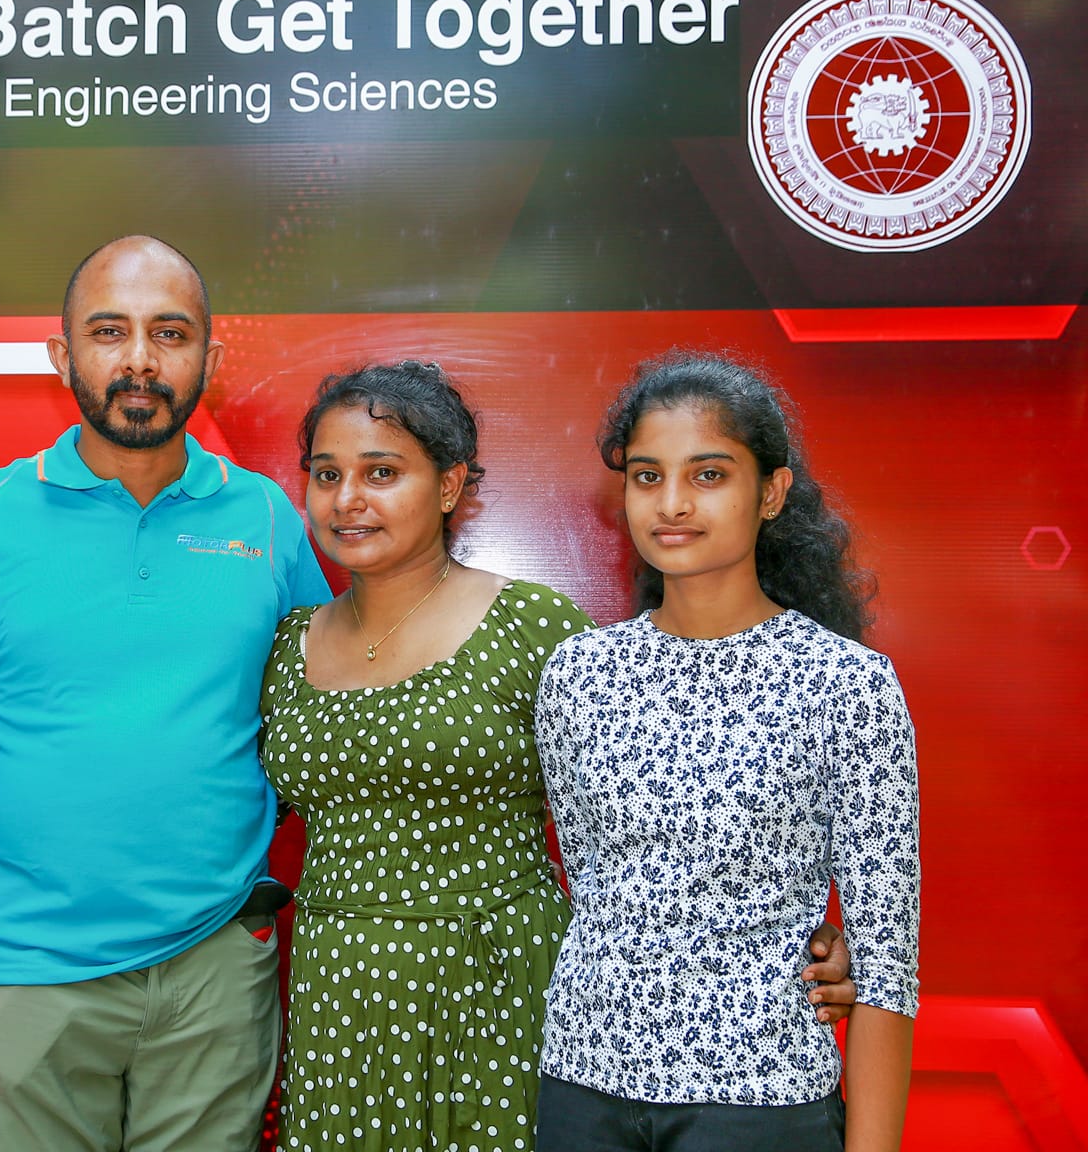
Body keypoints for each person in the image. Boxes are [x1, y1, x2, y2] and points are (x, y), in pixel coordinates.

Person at [258, 362, 858, 1152]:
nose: (348, 499)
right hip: (340, 998)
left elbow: (679, 796)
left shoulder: (533, 631)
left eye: (381, 472)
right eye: (326, 474)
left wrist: (800, 933)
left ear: (449, 487)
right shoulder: (289, 643)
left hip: (498, 995)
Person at [0, 235, 330, 1152]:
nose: (139, 360)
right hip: (25, 974)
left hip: (214, 969)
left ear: (209, 361)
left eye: (169, 333)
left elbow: (322, 717)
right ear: (62, 355)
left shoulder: (268, 519)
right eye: (109, 331)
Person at [534, 354, 920, 1151]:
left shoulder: (847, 685)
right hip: (580, 1084)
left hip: (762, 1096)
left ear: (770, 492)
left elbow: (886, 961)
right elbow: (594, 882)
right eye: (647, 477)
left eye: (708, 474)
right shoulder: (578, 672)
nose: (672, 504)